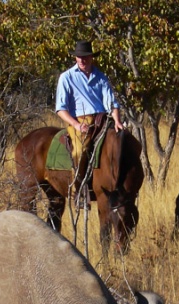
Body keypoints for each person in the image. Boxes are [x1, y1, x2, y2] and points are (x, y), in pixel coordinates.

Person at [55, 40, 124, 192]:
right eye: (79, 57)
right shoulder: (66, 77)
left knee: (125, 143)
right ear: (75, 58)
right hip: (79, 119)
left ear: (92, 57)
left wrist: (117, 120)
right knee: (80, 150)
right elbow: (61, 109)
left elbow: (112, 103)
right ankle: (78, 188)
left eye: (85, 56)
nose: (82, 60)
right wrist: (76, 125)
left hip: (102, 118)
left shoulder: (101, 77)